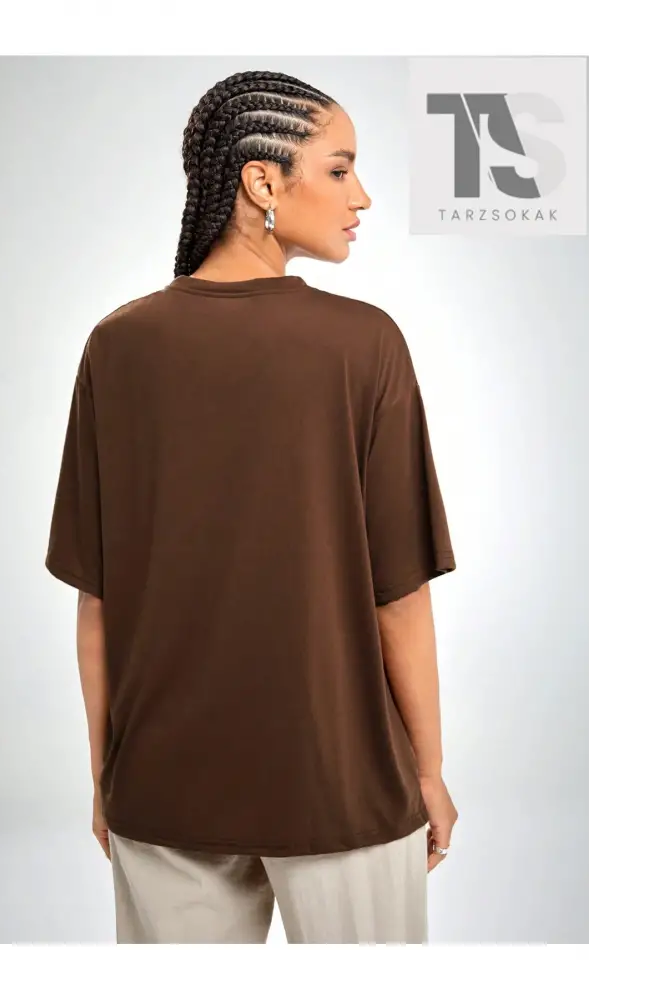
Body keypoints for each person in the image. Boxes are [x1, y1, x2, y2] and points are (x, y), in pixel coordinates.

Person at [44, 69, 459, 944]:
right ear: (263, 182)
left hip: (161, 786)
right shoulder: (363, 344)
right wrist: (427, 771)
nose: (362, 196)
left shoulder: (118, 346)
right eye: (340, 169)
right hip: (344, 785)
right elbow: (398, 595)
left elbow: (97, 603)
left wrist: (107, 776)